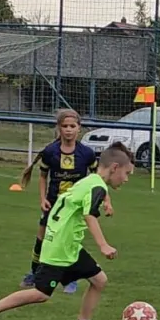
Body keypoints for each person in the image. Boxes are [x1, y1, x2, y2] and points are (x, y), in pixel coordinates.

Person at [0, 142, 134, 320]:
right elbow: (90, 215)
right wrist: (103, 245)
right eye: (127, 173)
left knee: (99, 280)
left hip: (69, 245)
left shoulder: (89, 181)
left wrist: (106, 201)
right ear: (115, 167)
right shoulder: (97, 186)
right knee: (41, 293)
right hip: (60, 246)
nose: (126, 179)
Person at [17, 108, 98, 293]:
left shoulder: (86, 153)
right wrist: (43, 199)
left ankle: (70, 279)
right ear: (59, 128)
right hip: (53, 204)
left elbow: (96, 179)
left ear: (79, 128)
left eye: (72, 126)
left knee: (69, 242)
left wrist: (105, 200)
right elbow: (43, 177)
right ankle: (34, 273)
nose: (68, 130)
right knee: (42, 239)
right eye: (65, 126)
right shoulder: (50, 152)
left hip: (75, 206)